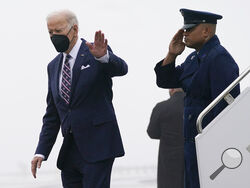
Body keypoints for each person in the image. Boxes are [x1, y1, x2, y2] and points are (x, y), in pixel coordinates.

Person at [31, 10, 128, 188]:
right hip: (69, 151)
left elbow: (121, 69)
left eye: (58, 31)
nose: (53, 36)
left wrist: (103, 57)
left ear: (74, 29)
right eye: (50, 33)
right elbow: (52, 114)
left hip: (99, 145)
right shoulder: (53, 67)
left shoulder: (95, 52)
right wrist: (41, 151)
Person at [154, 8, 240, 188]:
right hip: (192, 144)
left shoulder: (219, 58)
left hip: (209, 145)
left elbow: (226, 111)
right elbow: (166, 80)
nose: (184, 33)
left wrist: (215, 147)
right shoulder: (194, 58)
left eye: (190, 28)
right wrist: (172, 54)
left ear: (206, 31)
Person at [147, 88, 185, 188]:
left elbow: (152, 133)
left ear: (171, 89)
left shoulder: (161, 107)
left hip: (168, 160)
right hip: (189, 156)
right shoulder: (192, 106)